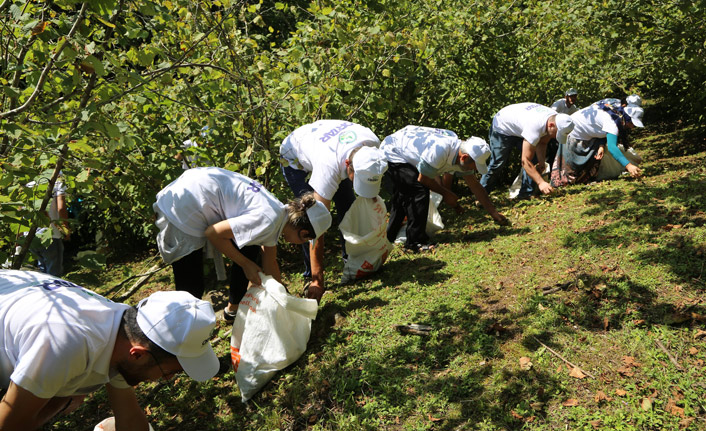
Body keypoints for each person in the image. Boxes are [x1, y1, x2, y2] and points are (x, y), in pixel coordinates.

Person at [0, 269, 219, 430]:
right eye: (170, 372)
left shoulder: (125, 332)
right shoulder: (65, 344)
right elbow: (9, 425)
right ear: (138, 355)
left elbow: (130, 418)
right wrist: (57, 403)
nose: (168, 378)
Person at [153, 167, 331, 319]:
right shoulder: (268, 220)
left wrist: (285, 301)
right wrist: (246, 264)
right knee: (190, 288)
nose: (295, 245)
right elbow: (213, 233)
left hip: (192, 190)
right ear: (304, 233)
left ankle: (232, 309)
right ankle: (177, 341)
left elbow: (270, 262)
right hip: (182, 206)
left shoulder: (278, 215)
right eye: (305, 241)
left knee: (249, 247)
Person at [279, 120, 388, 301]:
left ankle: (351, 260)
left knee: (347, 203)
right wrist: (318, 278)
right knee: (306, 220)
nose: (355, 182)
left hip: (328, 144)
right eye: (356, 179)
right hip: (294, 156)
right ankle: (310, 277)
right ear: (348, 165)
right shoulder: (328, 168)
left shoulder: (373, 149)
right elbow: (316, 224)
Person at [381, 126, 508, 251]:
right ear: (463, 157)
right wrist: (446, 194)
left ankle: (389, 236)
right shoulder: (440, 150)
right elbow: (424, 179)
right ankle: (415, 243)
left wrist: (493, 212)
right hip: (393, 151)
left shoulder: (462, 155)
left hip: (405, 151)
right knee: (418, 191)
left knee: (404, 193)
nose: (473, 170)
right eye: (474, 166)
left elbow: (474, 185)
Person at [480, 103, 575, 198]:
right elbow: (525, 161)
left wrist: (541, 163)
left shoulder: (555, 119)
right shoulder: (535, 126)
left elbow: (542, 143)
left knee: (534, 159)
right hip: (502, 126)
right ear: (551, 125)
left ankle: (526, 194)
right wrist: (541, 182)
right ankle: (481, 196)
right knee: (497, 163)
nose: (555, 137)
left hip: (520, 124)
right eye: (557, 134)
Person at [550, 102, 644, 187]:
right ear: (628, 120)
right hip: (574, 132)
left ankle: (583, 179)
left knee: (591, 160)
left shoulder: (615, 112)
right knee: (571, 165)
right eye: (633, 124)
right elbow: (612, 148)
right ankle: (561, 183)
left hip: (588, 134)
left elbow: (600, 127)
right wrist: (628, 166)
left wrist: (602, 145)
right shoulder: (613, 123)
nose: (633, 127)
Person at [25, 175, 70, 276]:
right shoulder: (58, 183)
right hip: (50, 235)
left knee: (42, 271)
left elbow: (22, 209)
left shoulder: (30, 184)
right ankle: (53, 292)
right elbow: (61, 207)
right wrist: (65, 227)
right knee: (54, 273)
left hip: (31, 235)